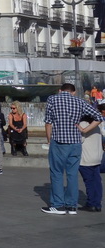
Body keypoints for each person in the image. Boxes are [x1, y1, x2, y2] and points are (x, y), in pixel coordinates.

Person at [42, 83, 103, 214]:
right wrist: (85, 129)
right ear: (74, 92)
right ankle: (71, 205)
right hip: (75, 144)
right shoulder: (80, 101)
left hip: (59, 141)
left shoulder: (52, 99)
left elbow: (48, 122)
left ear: (60, 91)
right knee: (72, 174)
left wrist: (49, 140)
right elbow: (98, 117)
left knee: (57, 173)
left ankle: (58, 205)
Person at [79, 111, 104, 212]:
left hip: (86, 158)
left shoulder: (83, 124)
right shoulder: (97, 125)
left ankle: (91, 204)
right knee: (97, 181)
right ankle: (97, 204)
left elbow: (80, 140)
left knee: (89, 182)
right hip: (97, 157)